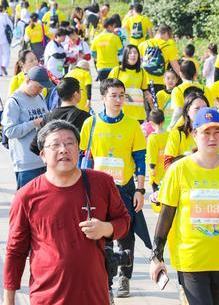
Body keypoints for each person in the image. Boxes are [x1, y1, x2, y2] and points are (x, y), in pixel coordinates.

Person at [4, 120, 131, 305]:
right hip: (48, 297)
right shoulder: (26, 196)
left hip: (94, 295)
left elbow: (124, 221)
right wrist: (8, 300)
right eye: (55, 145)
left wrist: (106, 228)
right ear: (43, 155)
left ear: (78, 149)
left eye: (70, 143)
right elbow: (15, 251)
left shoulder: (102, 183)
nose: (63, 149)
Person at [149, 107, 219, 305]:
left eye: (217, 132)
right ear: (194, 134)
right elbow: (166, 214)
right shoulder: (179, 169)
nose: (212, 138)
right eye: (206, 132)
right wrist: (156, 256)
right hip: (191, 259)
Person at [79, 79, 148, 298]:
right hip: (97, 190)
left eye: (121, 95)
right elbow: (85, 158)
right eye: (114, 95)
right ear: (103, 98)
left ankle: (124, 278)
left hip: (124, 189)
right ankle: (105, 283)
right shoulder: (91, 124)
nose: (119, 100)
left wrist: (140, 190)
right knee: (101, 236)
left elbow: (139, 159)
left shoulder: (132, 125)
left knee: (126, 235)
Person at [2, 66, 52, 189]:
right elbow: (9, 131)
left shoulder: (39, 97)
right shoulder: (14, 101)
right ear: (27, 80)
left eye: (42, 88)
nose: (40, 91)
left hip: (44, 160)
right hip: (26, 164)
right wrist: (33, 123)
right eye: (38, 86)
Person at [29, 77, 91, 155]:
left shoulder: (48, 117)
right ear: (76, 94)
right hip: (75, 164)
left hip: (54, 165)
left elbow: (34, 146)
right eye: (80, 91)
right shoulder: (85, 117)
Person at [108, 45, 152, 123]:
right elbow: (107, 90)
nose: (133, 55)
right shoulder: (116, 71)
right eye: (130, 53)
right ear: (125, 55)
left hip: (138, 114)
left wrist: (151, 102)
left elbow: (145, 90)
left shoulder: (142, 72)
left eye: (135, 53)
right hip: (120, 113)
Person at [138, 25, 182, 93]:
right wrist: (185, 80)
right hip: (160, 82)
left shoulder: (143, 44)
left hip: (144, 82)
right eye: (169, 36)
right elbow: (176, 67)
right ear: (166, 33)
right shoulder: (169, 47)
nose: (168, 39)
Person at [169, 60, 208, 127]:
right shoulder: (205, 89)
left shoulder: (177, 90)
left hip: (185, 127)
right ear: (195, 74)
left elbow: (178, 111)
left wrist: (171, 126)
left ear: (180, 74)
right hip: (204, 125)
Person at [145, 109, 169, 212]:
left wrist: (152, 167)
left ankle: (159, 210)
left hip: (156, 170)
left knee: (156, 192)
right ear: (164, 121)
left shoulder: (152, 138)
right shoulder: (169, 135)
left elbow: (151, 154)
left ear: (151, 123)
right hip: (167, 168)